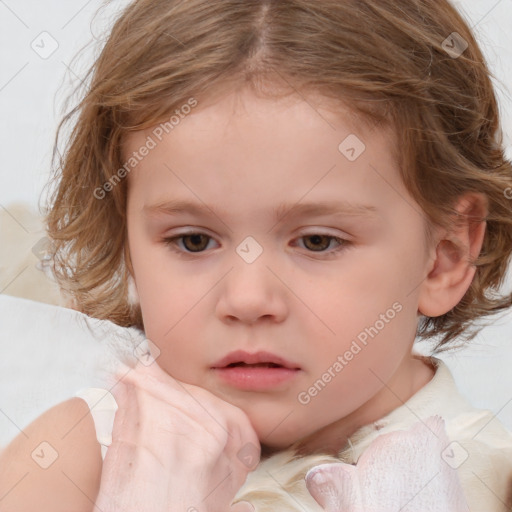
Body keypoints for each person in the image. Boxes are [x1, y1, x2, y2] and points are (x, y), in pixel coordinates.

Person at [1, 0, 512, 510]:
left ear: (444, 255)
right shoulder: (79, 456)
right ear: (127, 243)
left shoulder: (490, 483)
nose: (247, 299)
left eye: (317, 241)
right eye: (193, 241)